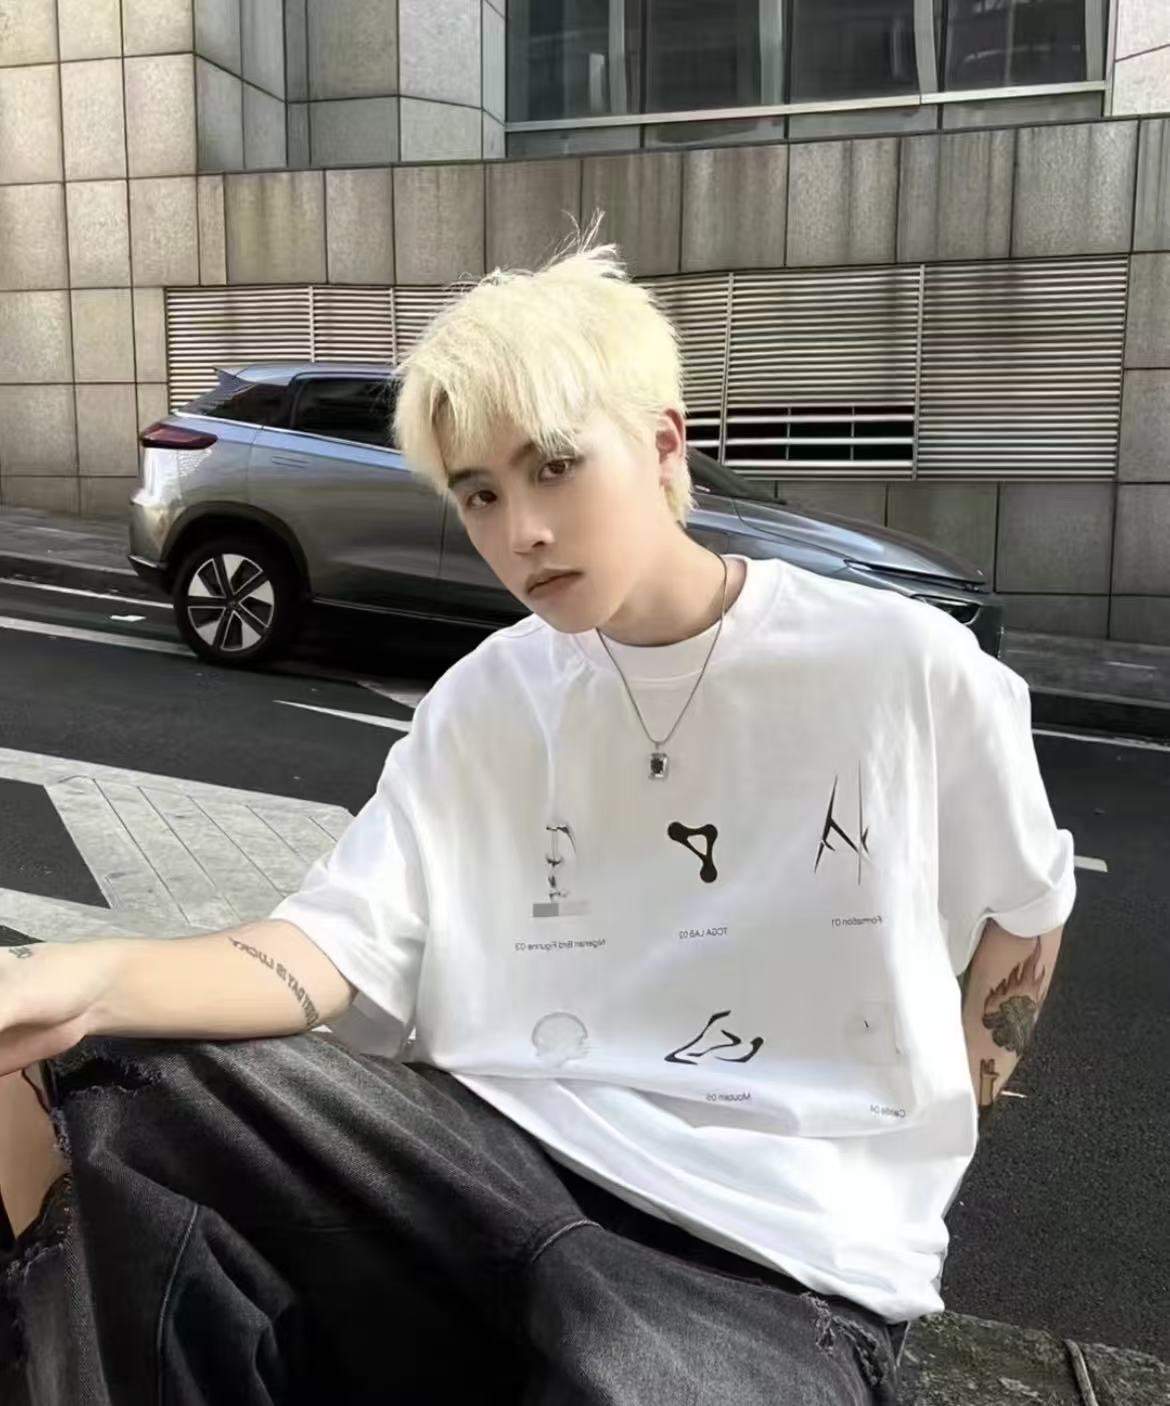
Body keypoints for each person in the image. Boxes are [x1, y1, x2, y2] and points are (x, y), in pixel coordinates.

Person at [0, 216, 1076, 1405]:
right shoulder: (487, 700)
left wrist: (936, 1118)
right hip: (484, 1165)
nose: (521, 531)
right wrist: (78, 978)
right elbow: (330, 947)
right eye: (479, 492)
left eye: (554, 465)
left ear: (663, 445)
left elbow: (1027, 906)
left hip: (772, 1261)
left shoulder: (897, 665)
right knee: (106, 1076)